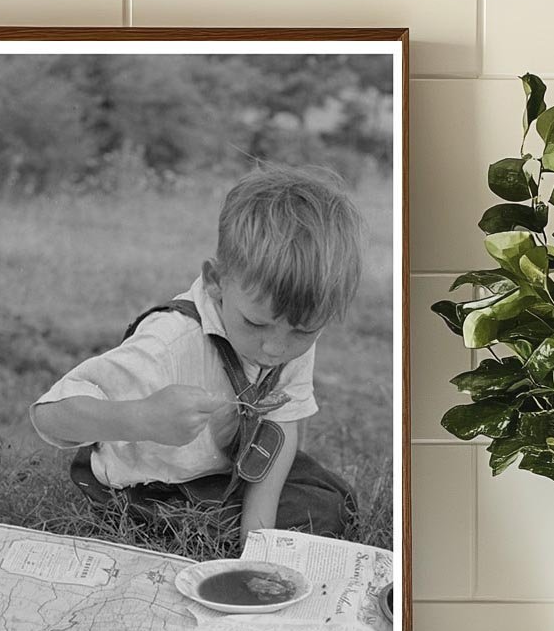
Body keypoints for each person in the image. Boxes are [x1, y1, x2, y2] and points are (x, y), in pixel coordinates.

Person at [29, 165, 363, 545]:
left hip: (227, 469)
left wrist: (259, 532)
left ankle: (239, 529)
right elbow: (48, 416)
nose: (275, 349)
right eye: (255, 325)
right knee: (195, 525)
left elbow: (282, 422)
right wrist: (142, 418)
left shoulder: (286, 329)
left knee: (332, 502)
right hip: (153, 484)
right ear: (216, 281)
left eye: (303, 332)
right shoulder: (168, 342)